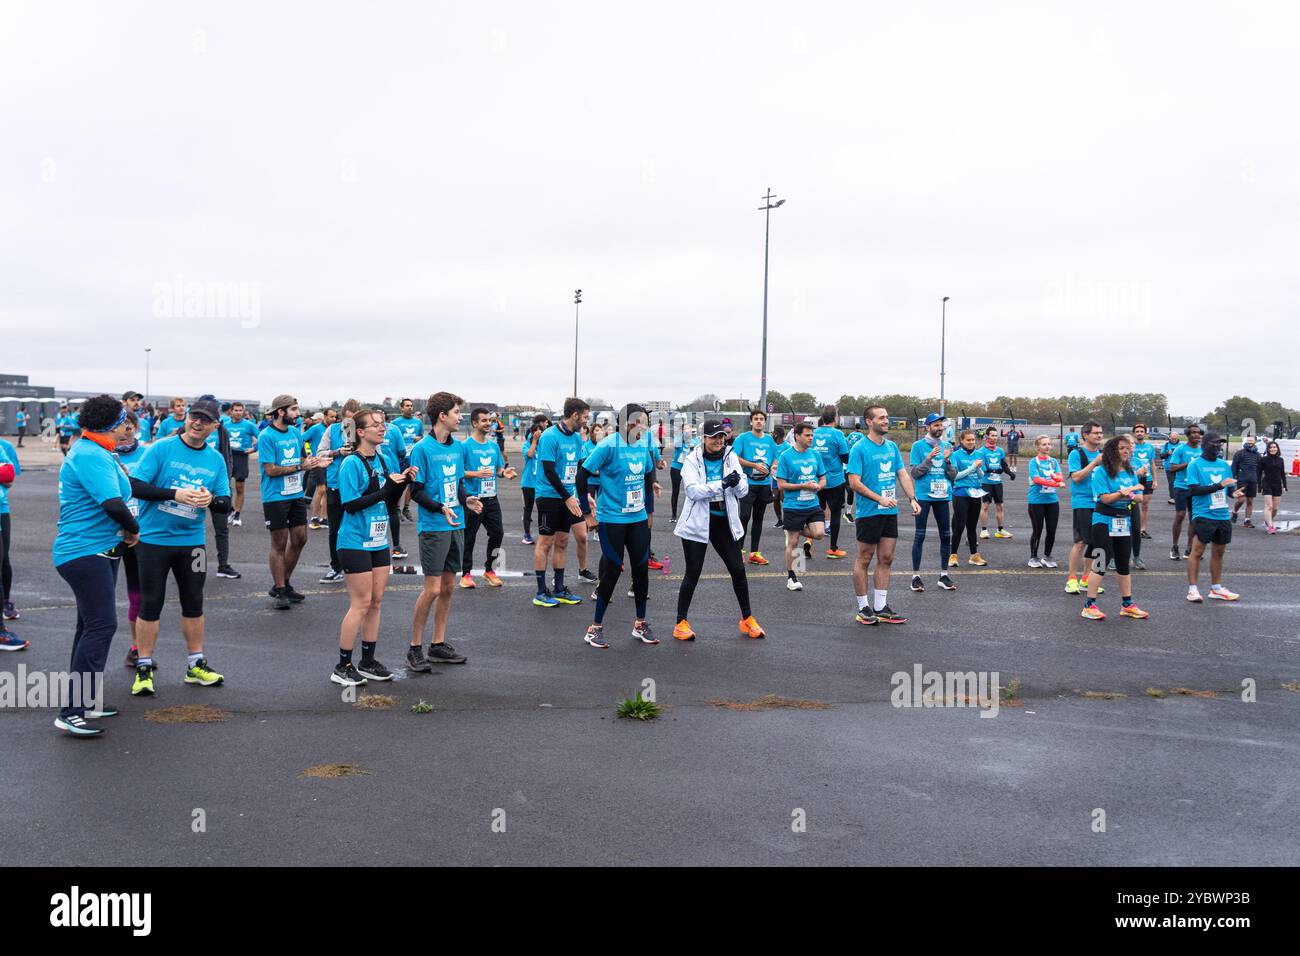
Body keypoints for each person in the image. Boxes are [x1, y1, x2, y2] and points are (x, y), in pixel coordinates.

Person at [126, 396, 231, 698]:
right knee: (151, 603)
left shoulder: (215, 459)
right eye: (194, 416)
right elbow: (135, 486)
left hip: (192, 544)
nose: (197, 422)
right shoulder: (162, 448)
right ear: (186, 417)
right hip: (153, 542)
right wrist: (176, 494)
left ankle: (195, 664)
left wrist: (210, 500)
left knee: (194, 601)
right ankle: (143, 667)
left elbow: (224, 504)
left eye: (205, 419)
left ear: (215, 425)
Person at [50, 395, 140, 734]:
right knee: (101, 626)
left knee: (89, 627)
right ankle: (71, 711)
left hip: (99, 549)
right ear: (114, 424)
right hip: (83, 552)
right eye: (123, 420)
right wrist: (134, 531)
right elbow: (114, 505)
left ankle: (83, 701)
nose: (128, 426)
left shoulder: (100, 452)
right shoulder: (91, 454)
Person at [333, 407, 416, 685]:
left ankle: (368, 661)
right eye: (376, 425)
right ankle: (342, 666)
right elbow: (350, 504)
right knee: (361, 603)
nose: (382, 428)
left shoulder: (382, 459)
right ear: (360, 432)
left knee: (376, 603)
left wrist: (402, 483)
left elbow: (388, 503)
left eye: (383, 424)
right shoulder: (351, 463)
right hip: (354, 540)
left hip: (379, 540)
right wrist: (384, 490)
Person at [672, 421, 765, 640]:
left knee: (738, 570)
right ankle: (680, 623)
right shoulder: (691, 460)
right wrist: (722, 484)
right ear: (703, 438)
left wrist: (737, 483)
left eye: (722, 436)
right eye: (714, 437)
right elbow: (693, 492)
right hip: (698, 523)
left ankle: (747, 618)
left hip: (724, 521)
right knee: (693, 572)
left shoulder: (730, 456)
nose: (719, 441)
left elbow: (742, 491)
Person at [407, 392, 480, 668]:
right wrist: (440, 508)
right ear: (442, 416)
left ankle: (437, 644)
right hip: (434, 526)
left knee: (449, 587)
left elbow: (457, 482)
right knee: (432, 589)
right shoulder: (422, 449)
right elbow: (416, 491)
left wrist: (466, 500)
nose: (460, 417)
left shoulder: (458, 448)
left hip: (457, 523)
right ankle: (415, 647)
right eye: (456, 412)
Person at [578, 404, 659, 648]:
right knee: (612, 571)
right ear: (625, 423)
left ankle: (640, 623)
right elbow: (582, 476)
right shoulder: (608, 445)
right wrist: (587, 514)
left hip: (637, 519)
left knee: (641, 569)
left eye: (645, 422)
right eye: (639, 422)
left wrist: (647, 507)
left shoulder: (642, 444)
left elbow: (647, 473)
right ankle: (594, 628)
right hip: (612, 519)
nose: (643, 427)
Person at [847, 405, 918, 625]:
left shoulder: (891, 447)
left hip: (890, 510)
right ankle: (863, 608)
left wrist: (912, 498)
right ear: (869, 421)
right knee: (864, 558)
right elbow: (854, 483)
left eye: (887, 417)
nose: (886, 421)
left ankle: (880, 607)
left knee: (886, 558)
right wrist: (879, 499)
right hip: (869, 512)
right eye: (882, 418)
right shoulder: (859, 448)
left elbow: (902, 474)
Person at [259, 395, 321, 610]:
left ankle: (283, 584)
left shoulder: (296, 433)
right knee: (279, 543)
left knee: (300, 538)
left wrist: (312, 462)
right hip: (275, 497)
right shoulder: (267, 436)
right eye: (294, 409)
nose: (298, 413)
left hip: (295, 494)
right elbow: (270, 469)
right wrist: (299, 468)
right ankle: (280, 589)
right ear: (280, 412)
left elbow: (303, 458)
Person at [1080, 437, 1149, 620]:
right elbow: (1104, 499)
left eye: (1128, 448)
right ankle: (1089, 605)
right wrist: (1123, 493)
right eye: (1122, 448)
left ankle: (1127, 605)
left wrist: (1133, 494)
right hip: (1103, 521)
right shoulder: (1101, 472)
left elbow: (1140, 498)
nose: (1127, 451)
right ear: (1113, 451)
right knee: (1101, 563)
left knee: (1123, 563)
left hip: (1123, 522)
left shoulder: (1129, 471)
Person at [531, 398, 590, 608]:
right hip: (549, 496)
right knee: (545, 542)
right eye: (584, 416)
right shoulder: (549, 436)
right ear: (574, 415)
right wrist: (567, 497)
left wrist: (583, 496)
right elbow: (549, 471)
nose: (586, 420)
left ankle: (559, 588)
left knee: (563, 541)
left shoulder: (577, 438)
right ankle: (540, 592)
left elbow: (579, 469)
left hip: (568, 497)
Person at [460, 407, 516, 588]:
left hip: (492, 499)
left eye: (489, 421)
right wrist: (475, 474)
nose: (488, 423)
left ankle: (489, 571)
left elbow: (498, 468)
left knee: (497, 534)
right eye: (483, 420)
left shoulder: (493, 446)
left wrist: (503, 473)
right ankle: (466, 574)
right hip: (473, 500)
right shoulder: (464, 446)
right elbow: (458, 472)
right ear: (475, 423)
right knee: (469, 537)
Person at [1184, 433, 1244, 603]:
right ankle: (1192, 590)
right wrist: (1219, 485)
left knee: (1219, 551)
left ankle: (1216, 588)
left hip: (1222, 514)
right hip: (1203, 514)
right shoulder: (1195, 465)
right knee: (1197, 551)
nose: (1218, 447)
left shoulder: (1224, 465)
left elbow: (1228, 489)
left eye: (1220, 444)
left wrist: (1234, 493)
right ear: (1204, 445)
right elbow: (1194, 490)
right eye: (1214, 444)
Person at [908, 413, 957, 593]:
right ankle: (915, 577)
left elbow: (953, 475)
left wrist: (948, 461)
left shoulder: (947, 446)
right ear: (927, 427)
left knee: (946, 535)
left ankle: (944, 575)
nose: (940, 428)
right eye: (936, 425)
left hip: (943, 496)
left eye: (941, 425)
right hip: (924, 497)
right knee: (920, 535)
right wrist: (928, 459)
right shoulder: (918, 446)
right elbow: (915, 473)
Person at [774, 422, 826, 591]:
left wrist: (819, 486)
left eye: (812, 435)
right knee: (794, 541)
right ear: (797, 436)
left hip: (812, 504)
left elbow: (823, 478)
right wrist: (804, 486)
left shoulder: (815, 455)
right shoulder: (786, 456)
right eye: (807, 435)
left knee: (819, 534)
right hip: (793, 505)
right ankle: (792, 577)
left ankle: (793, 528)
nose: (811, 438)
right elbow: (781, 485)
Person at [114, 414, 148, 667]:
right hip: (110, 533)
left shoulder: (147, 454)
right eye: (119, 428)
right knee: (100, 599)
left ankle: (137, 648)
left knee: (139, 595)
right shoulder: (104, 456)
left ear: (136, 428)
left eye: (129, 427)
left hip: (140, 533)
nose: (125, 433)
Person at [317, 399, 361, 583]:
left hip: (358, 486)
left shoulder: (362, 432)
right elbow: (320, 453)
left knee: (358, 527)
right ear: (342, 417)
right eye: (347, 420)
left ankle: (359, 565)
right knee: (335, 529)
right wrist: (337, 452)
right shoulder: (332, 430)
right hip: (335, 484)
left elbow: (376, 453)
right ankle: (335, 567)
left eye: (354, 420)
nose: (349, 424)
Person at [732, 409, 781, 566]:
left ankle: (755, 553)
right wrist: (753, 465)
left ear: (764, 422)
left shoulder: (769, 440)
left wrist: (773, 466)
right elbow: (733, 458)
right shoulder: (743, 438)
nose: (759, 421)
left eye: (761, 419)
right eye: (756, 419)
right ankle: (738, 552)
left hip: (764, 485)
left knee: (758, 519)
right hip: (747, 484)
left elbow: (776, 457)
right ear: (751, 422)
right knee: (744, 517)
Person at [812, 406, 850, 559]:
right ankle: (833, 549)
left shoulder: (813, 433)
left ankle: (808, 541)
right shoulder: (838, 434)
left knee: (814, 513)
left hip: (816, 480)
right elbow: (845, 457)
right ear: (835, 418)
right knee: (835, 514)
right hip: (834, 480)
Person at [948, 429, 988, 567]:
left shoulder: (978, 454)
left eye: (973, 440)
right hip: (961, 493)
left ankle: (974, 556)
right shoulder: (955, 455)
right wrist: (973, 467)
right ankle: (952, 555)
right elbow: (956, 476)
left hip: (976, 493)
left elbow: (982, 476)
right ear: (962, 441)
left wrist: (978, 469)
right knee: (959, 526)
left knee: (972, 526)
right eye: (968, 440)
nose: (971, 442)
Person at [1026, 434, 1064, 568]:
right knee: (1038, 530)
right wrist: (1055, 483)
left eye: (1049, 444)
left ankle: (1047, 556)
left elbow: (1060, 476)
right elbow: (1036, 479)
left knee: (1052, 530)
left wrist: (1056, 478)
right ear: (1037, 447)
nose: (1047, 446)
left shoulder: (1053, 462)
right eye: (1044, 444)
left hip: (1052, 501)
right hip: (1036, 501)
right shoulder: (1033, 462)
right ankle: (1033, 557)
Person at [1165, 425, 1202, 560]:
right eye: (1193, 433)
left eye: (1198, 433)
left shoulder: (1202, 450)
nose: (1196, 435)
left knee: (1194, 518)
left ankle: (1189, 548)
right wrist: (1189, 464)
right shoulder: (1180, 449)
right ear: (1187, 435)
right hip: (1181, 486)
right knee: (1180, 515)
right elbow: (1172, 467)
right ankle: (1174, 546)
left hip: (1196, 488)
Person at [376, 415, 410, 560]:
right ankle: (395, 547)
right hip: (393, 474)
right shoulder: (394, 428)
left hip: (387, 474)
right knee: (392, 509)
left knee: (383, 509)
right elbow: (402, 452)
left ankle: (384, 546)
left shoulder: (393, 429)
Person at [224, 401, 259, 527]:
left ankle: (237, 514)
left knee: (239, 487)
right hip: (227, 457)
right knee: (224, 487)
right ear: (231, 411)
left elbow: (262, 437)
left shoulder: (249, 425)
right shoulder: (225, 425)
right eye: (236, 410)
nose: (238, 412)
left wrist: (254, 448)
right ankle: (230, 510)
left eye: (240, 410)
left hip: (241, 457)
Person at [0, 434, 21, 641]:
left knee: (3, 558)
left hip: (1, 509)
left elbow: (9, 476)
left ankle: (6, 601)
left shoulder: (4, 446)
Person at [977, 428, 1015, 539]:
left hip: (997, 483)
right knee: (985, 506)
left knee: (1000, 506)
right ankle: (984, 530)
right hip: (986, 482)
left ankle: (1000, 530)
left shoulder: (1000, 451)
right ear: (987, 437)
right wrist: (995, 471)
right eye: (992, 435)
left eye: (996, 435)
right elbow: (983, 468)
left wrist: (1010, 473)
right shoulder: (981, 452)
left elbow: (1003, 465)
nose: (995, 438)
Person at [1128, 423, 1160, 547]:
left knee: (1145, 505)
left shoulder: (1149, 447)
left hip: (1147, 479)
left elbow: (1152, 464)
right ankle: (1131, 527)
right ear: (1134, 433)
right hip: (1134, 478)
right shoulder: (1131, 446)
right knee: (1131, 503)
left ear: (1145, 433)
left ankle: (1142, 529)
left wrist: (1155, 480)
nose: (1140, 433)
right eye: (1137, 431)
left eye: (1142, 431)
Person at [520, 415, 548, 545]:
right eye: (537, 432)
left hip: (541, 483)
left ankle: (544, 534)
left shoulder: (544, 445)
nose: (540, 434)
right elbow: (530, 454)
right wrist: (534, 441)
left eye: (541, 432)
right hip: (529, 483)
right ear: (532, 433)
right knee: (528, 509)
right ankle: (526, 534)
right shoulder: (527, 445)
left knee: (543, 509)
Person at [302, 411, 329, 529]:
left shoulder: (333, 429)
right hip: (317, 461)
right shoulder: (316, 428)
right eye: (330, 416)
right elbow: (303, 439)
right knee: (320, 489)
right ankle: (314, 517)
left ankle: (324, 518)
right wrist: (308, 454)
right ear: (325, 417)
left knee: (327, 491)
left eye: (335, 416)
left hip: (329, 462)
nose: (333, 418)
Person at [1230, 435, 1261, 528]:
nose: (1250, 442)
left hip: (1253, 480)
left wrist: (1259, 481)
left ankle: (1247, 521)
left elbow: (1260, 469)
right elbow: (1234, 466)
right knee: (1241, 500)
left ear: (1255, 441)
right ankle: (1234, 512)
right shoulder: (1240, 453)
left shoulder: (1258, 455)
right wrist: (1233, 478)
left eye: (1252, 440)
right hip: (1242, 480)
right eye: (1248, 441)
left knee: (1250, 501)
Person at [669, 424, 699, 521]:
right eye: (685, 429)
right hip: (676, 468)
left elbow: (699, 448)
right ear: (682, 430)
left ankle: (690, 514)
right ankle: (673, 515)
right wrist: (683, 435)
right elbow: (676, 445)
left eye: (689, 428)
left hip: (690, 469)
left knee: (691, 491)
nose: (687, 430)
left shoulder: (695, 440)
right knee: (675, 491)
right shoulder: (679, 440)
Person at [1258, 441, 1288, 534]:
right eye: (1270, 447)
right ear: (1268, 449)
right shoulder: (1263, 459)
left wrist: (1285, 486)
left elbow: (1282, 473)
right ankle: (1271, 527)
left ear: (1277, 448)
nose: (1272, 449)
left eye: (1274, 447)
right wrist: (1259, 486)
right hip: (1267, 484)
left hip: (1277, 485)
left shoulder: (1280, 460)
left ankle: (1268, 520)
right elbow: (1258, 473)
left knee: (1275, 508)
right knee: (1269, 506)